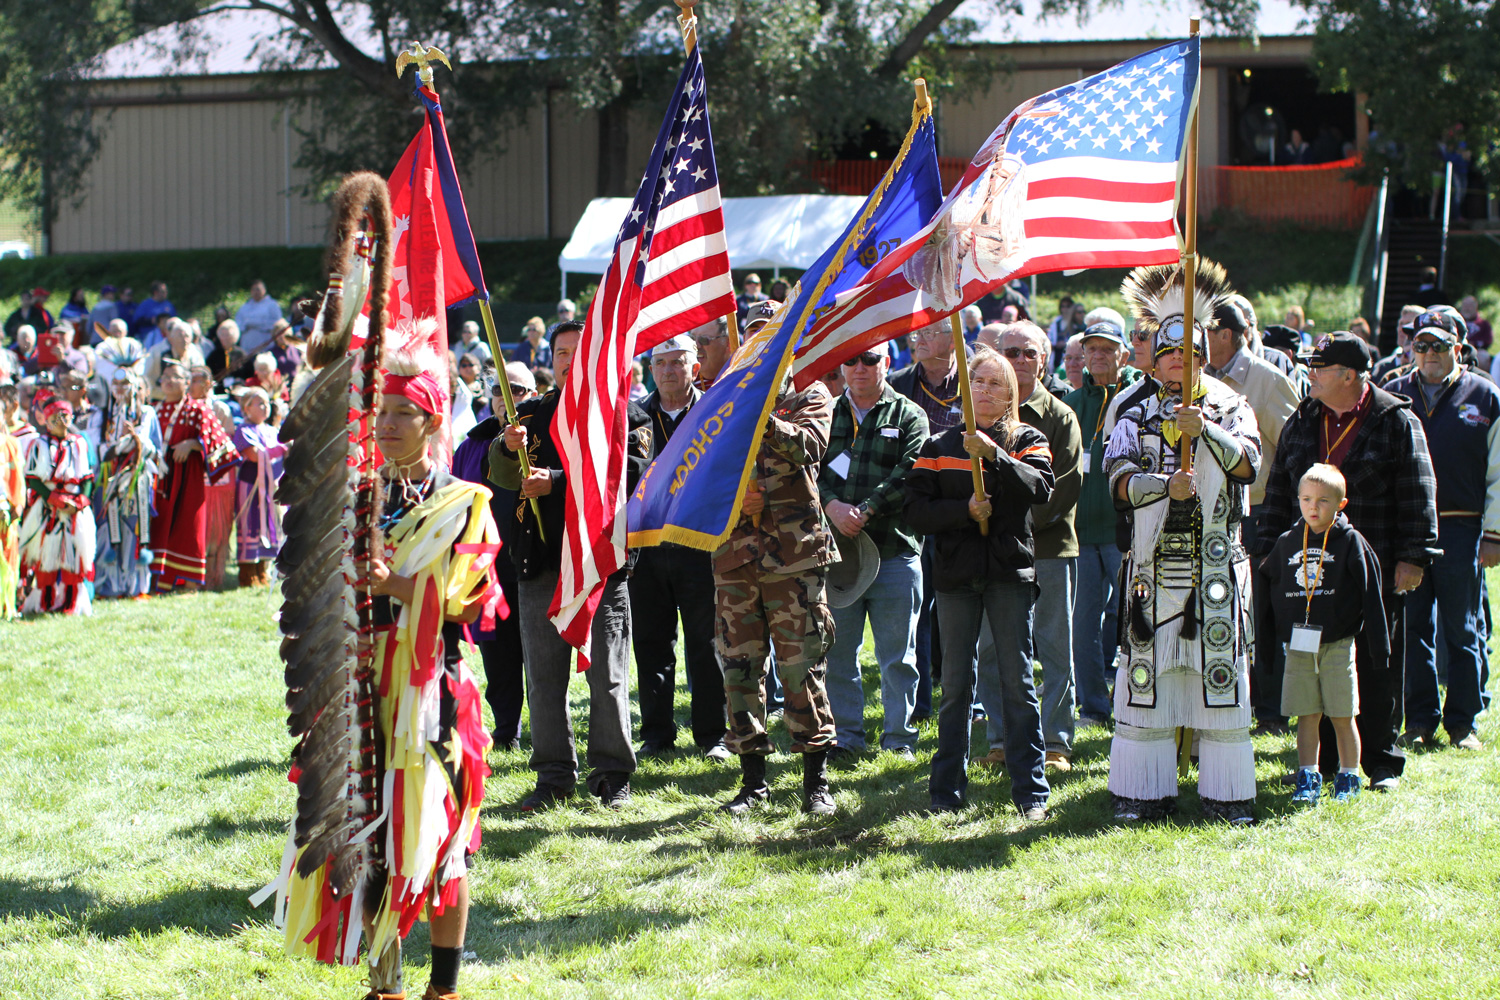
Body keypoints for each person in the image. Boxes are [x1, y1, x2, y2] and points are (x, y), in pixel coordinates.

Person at [277, 343, 499, 1000]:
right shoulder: (357, 500)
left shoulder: (465, 501)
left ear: (434, 421)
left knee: (440, 837)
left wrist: (398, 584)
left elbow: (471, 597)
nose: (391, 425)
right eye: (384, 414)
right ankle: (386, 984)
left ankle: (446, 987)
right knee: (371, 837)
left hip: (431, 693)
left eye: (407, 413)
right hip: (360, 691)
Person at [1106, 259, 1262, 824]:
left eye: (1190, 353)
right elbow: (1117, 480)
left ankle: (1226, 796)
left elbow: (1249, 464)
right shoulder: (1134, 409)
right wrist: (1160, 484)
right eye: (1170, 353)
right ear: (1157, 354)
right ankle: (1142, 794)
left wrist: (1208, 432)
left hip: (1215, 567)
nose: (1180, 361)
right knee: (1147, 681)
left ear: (1204, 354)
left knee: (1218, 679)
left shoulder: (1231, 405)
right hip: (1152, 568)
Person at [1255, 332, 1439, 793]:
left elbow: (1418, 492)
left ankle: (1379, 763)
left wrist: (1413, 558)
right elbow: (1279, 485)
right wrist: (1265, 551)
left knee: (1376, 661)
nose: (1310, 374)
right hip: (1310, 574)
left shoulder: (1395, 419)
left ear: (1349, 376)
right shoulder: (1304, 418)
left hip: (1371, 566)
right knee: (1315, 661)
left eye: (1319, 367)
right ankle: (1327, 764)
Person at [491, 320, 647, 810]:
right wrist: (505, 447)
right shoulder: (530, 415)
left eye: (578, 351)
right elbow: (496, 473)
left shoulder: (624, 414)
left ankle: (612, 776)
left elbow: (632, 476)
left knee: (607, 674)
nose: (567, 359)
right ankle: (553, 776)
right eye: (560, 352)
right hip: (540, 565)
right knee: (543, 677)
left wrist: (555, 481)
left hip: (599, 566)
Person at [905, 344, 1054, 819]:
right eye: (978, 383)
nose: (985, 391)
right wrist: (963, 511)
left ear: (1010, 392)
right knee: (955, 688)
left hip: (1009, 575)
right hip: (954, 578)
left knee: (1017, 683)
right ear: (964, 392)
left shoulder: (1027, 437)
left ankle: (1031, 791)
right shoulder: (937, 446)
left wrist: (995, 455)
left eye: (995, 383)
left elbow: (1040, 487)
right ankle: (945, 791)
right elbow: (914, 510)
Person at [713, 373, 840, 817]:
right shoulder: (721, 403)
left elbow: (810, 447)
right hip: (735, 559)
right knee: (739, 670)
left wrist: (762, 419)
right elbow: (700, 471)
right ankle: (752, 784)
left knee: (801, 668)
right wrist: (734, 499)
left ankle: (816, 782)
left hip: (794, 559)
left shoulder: (811, 395)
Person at [1385, 310, 1500, 751]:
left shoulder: (1485, 395)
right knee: (1412, 629)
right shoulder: (1393, 393)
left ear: (1458, 347)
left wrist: (1493, 533)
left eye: (1438, 345)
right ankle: (1418, 719)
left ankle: (1463, 722)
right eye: (1421, 345)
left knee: (1462, 627)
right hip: (1408, 530)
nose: (1429, 354)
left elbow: (1497, 472)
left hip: (1461, 528)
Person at [974, 323, 1082, 770]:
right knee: (993, 648)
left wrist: (1010, 526)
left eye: (1028, 353)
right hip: (995, 555)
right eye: (1011, 352)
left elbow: (1064, 486)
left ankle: (1055, 742)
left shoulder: (1060, 416)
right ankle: (1000, 739)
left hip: (1048, 551)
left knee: (1054, 647)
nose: (1019, 360)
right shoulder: (980, 418)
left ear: (1044, 359)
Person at [817, 346, 929, 760]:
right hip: (838, 555)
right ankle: (845, 737)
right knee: (838, 652)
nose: (859, 368)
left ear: (887, 362)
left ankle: (899, 738)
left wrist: (866, 509)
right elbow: (808, 470)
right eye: (849, 360)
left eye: (870, 359)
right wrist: (831, 506)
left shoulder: (908, 414)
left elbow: (913, 469)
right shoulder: (825, 414)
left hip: (895, 549)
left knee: (898, 655)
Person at [1259, 464, 1387, 804]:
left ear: (1341, 504)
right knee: (1306, 714)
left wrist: (1379, 646)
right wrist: (1268, 642)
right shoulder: (1287, 542)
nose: (1313, 508)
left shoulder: (1350, 541)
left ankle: (1348, 776)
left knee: (1343, 715)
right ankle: (1308, 775)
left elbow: (1370, 591)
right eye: (1306, 499)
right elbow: (1265, 584)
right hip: (1299, 645)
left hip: (1338, 644)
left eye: (1323, 501)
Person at [1204, 299, 1302, 733]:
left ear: (1226, 334)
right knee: (1227, 607)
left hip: (1263, 512)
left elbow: (1297, 449)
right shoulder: (1203, 380)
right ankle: (1236, 698)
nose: (1202, 340)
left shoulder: (1267, 380)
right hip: (1217, 510)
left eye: (1207, 331)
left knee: (1262, 611)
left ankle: (1272, 711)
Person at [632, 334, 730, 759]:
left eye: (677, 362)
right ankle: (656, 736)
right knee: (651, 643)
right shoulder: (632, 418)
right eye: (660, 363)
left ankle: (712, 734)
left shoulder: (714, 412)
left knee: (705, 642)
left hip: (698, 544)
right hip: (647, 548)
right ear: (650, 370)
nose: (669, 371)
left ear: (695, 366)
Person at [1063, 321, 1142, 729]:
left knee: (1135, 619)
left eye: (1107, 349)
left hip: (1123, 532)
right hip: (1080, 532)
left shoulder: (1136, 399)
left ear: (1123, 355)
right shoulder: (1073, 401)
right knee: (1083, 623)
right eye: (1090, 349)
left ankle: (1134, 700)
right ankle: (1093, 706)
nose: (1097, 356)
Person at [453, 373, 534, 752]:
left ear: (531, 394)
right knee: (498, 653)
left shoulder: (546, 434)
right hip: (487, 565)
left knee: (540, 652)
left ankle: (549, 730)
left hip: (536, 558)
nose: (507, 398)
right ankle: (506, 732)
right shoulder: (471, 446)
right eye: (499, 392)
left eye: (515, 390)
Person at [150, 361, 239, 592]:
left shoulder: (198, 409)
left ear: (186, 382)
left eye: (176, 376)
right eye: (165, 376)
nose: (169, 381)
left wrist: (193, 444)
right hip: (158, 480)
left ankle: (189, 584)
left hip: (187, 480)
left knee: (188, 527)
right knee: (158, 526)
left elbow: (224, 444)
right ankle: (159, 582)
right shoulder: (154, 410)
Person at [17, 393, 96, 614]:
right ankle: (44, 601)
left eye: (65, 416)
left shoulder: (79, 443)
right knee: (44, 555)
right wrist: (52, 498)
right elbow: (32, 477)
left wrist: (81, 501)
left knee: (75, 554)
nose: (61, 421)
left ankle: (71, 602)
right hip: (46, 506)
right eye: (55, 417)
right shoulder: (38, 443)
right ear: (47, 420)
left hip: (74, 507)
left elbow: (87, 476)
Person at [92, 369, 161, 599]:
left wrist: (136, 440)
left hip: (136, 481)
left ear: (134, 386)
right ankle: (108, 585)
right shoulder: (102, 415)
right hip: (108, 478)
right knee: (107, 530)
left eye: (125, 383)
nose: (120, 388)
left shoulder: (148, 413)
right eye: (115, 383)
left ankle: (135, 586)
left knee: (134, 529)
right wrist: (119, 446)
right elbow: (98, 448)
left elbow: (156, 451)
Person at [232, 387, 285, 587]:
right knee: (251, 524)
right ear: (246, 408)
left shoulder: (273, 431)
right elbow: (254, 454)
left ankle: (264, 570)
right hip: (250, 488)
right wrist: (280, 449)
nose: (265, 407)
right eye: (259, 403)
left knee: (271, 523)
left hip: (271, 489)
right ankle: (248, 573)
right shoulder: (243, 430)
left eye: (266, 403)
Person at [191, 366, 238, 591]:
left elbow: (227, 442)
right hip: (194, 475)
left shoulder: (219, 408)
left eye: (196, 380)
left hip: (218, 478)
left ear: (208, 383)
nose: (191, 385)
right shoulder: (185, 407)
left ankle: (213, 577)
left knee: (217, 528)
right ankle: (193, 575)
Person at [0, 387, 27, 618]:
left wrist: (16, 504)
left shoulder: (12, 443)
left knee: (9, 557)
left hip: (8, 511)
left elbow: (18, 477)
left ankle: (6, 606)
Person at [145, 320, 206, 399]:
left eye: (187, 336)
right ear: (171, 339)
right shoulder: (157, 353)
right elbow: (148, 379)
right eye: (180, 336)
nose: (184, 340)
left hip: (189, 398)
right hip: (161, 398)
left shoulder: (195, 354)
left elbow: (202, 378)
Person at [233, 280, 283, 353]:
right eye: (253, 290)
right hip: (247, 345)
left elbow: (277, 324)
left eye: (258, 289)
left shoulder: (272, 305)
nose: (256, 292)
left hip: (265, 344)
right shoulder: (245, 307)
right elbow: (238, 324)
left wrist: (256, 323)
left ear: (264, 290)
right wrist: (246, 325)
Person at [691, 317, 731, 389]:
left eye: (704, 339)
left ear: (728, 343)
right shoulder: (684, 383)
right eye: (692, 339)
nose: (696, 345)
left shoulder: (744, 378)